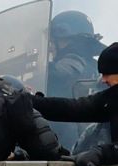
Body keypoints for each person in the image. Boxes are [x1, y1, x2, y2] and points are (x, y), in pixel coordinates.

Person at [46, 10, 107, 150]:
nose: (50, 46)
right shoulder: (97, 67)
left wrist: (40, 68)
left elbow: (61, 74)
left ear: (66, 39)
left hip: (69, 145)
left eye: (53, 40)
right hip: (93, 146)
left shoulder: (72, 62)